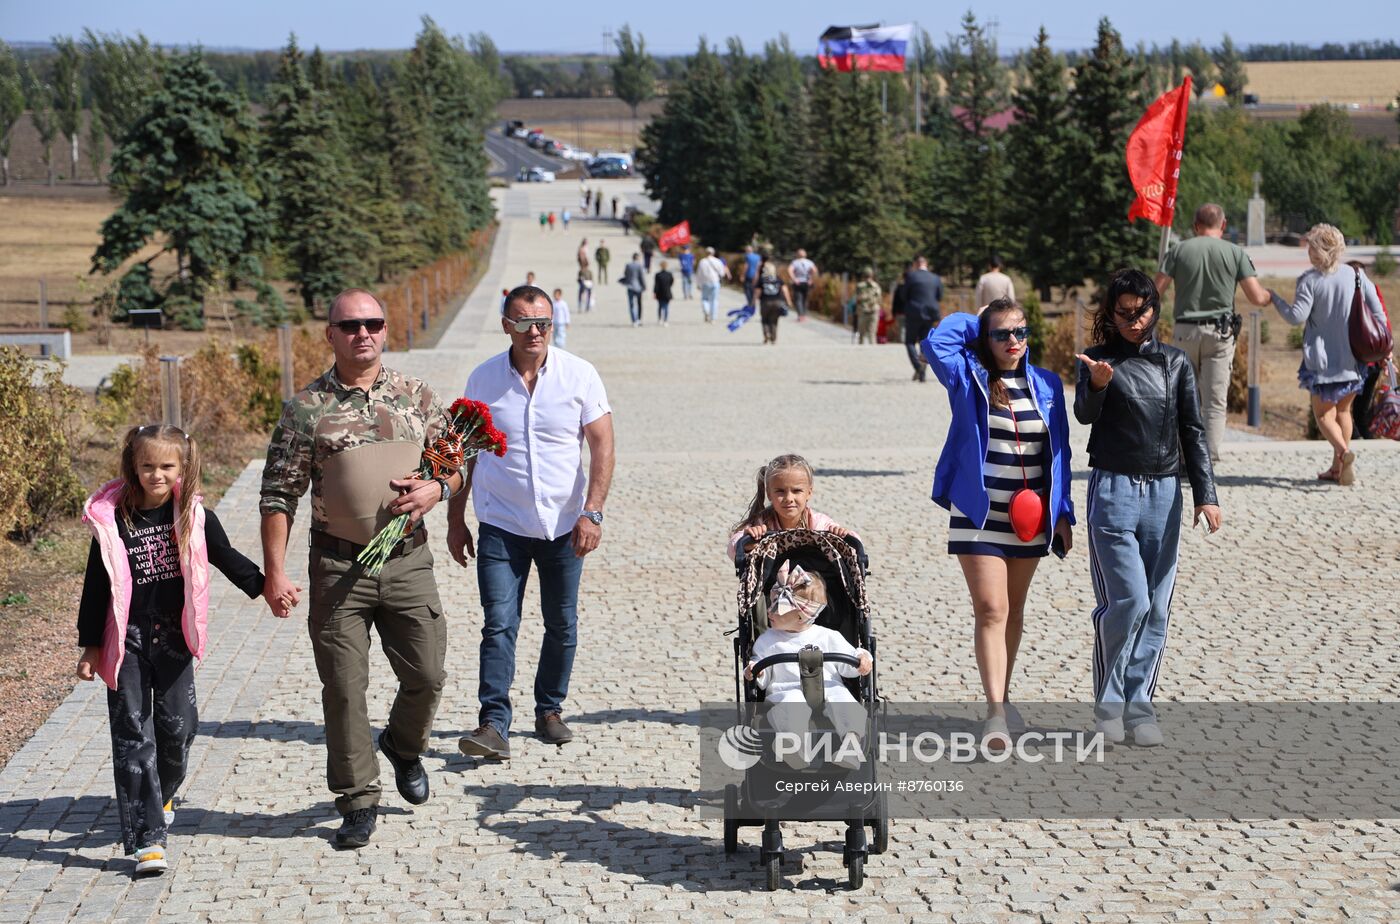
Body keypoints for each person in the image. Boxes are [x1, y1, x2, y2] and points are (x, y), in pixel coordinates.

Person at [260, 288, 461, 849]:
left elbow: (454, 463)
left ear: (385, 329)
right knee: (344, 689)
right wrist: (274, 573)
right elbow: (278, 495)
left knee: (427, 674)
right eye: (349, 325)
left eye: (372, 323)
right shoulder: (306, 409)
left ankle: (403, 747)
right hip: (337, 567)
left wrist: (436, 490)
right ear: (330, 335)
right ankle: (356, 800)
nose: (363, 333)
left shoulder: (416, 396)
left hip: (407, 560)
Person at [77, 425, 272, 876]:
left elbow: (226, 556)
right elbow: (95, 586)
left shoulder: (193, 516)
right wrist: (90, 646)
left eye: (167, 466)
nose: (156, 475)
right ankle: (148, 837)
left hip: (173, 637)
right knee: (132, 732)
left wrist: (266, 588)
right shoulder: (113, 521)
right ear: (133, 465)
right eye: (147, 466)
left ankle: (161, 791)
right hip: (125, 637)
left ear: (183, 467)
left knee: (179, 729)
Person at [450, 285, 616, 760]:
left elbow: (602, 445)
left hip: (565, 524)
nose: (535, 331)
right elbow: (466, 452)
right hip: (501, 524)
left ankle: (549, 711)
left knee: (561, 623)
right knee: (499, 623)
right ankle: (492, 724)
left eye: (543, 322)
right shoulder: (483, 380)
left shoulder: (579, 375)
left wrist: (593, 511)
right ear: (506, 325)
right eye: (523, 322)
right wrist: (456, 519)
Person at [1074, 269, 1220, 747]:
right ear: (1111, 314)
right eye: (1124, 313)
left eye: (1143, 312)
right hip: (1114, 490)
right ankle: (1109, 707)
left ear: (1156, 309)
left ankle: (1141, 709)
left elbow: (1194, 432)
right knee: (1129, 600)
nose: (1135, 322)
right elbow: (1085, 415)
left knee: (1156, 608)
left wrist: (1207, 495)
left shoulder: (1176, 363)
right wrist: (1096, 385)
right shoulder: (1097, 359)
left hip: (1164, 493)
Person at [921, 300, 1074, 748]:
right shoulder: (967, 377)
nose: (1014, 342)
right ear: (985, 340)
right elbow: (936, 341)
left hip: (1029, 516)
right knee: (991, 609)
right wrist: (983, 318)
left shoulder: (1046, 384)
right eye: (1003, 334)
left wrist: (1061, 512)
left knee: (1013, 611)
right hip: (978, 512)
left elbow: (1059, 455)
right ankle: (994, 713)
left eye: (1022, 333)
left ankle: (1004, 699)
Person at [1267, 225, 1390, 484]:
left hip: (1321, 361)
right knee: (1344, 413)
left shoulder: (1309, 280)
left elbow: (1295, 317)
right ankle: (1338, 469)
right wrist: (1382, 346)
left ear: (1320, 251)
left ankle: (1344, 454)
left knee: (1323, 415)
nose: (1308, 251)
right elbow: (1378, 312)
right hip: (1353, 359)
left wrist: (1274, 298)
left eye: (1311, 246)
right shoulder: (1356, 275)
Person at [1154, 203, 1272, 461]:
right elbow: (1255, 296)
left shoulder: (1179, 250)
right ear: (1224, 225)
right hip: (1220, 334)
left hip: (1184, 332)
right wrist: (1269, 297)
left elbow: (1155, 291)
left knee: (1183, 397)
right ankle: (1206, 458)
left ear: (1196, 226)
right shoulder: (1235, 252)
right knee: (1215, 401)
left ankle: (1183, 456)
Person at [744, 565, 871, 769]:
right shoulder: (767, 641)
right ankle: (792, 747)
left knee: (845, 701)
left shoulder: (828, 637)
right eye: (771, 603)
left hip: (827, 688)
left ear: (801, 616)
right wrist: (756, 671)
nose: (769, 610)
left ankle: (851, 745)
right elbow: (762, 676)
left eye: (778, 607)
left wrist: (861, 659)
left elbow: (848, 664)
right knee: (791, 706)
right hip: (787, 691)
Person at [727, 453, 853, 560]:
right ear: (769, 494)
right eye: (780, 491)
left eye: (796, 491)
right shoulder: (763, 524)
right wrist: (746, 541)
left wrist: (842, 534)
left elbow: (854, 544)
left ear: (809, 492)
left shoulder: (818, 523)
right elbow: (733, 548)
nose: (788, 498)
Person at [1346, 260, 1392, 440]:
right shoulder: (1374, 291)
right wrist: (1386, 353)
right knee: (1361, 410)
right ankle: (1363, 442)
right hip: (1374, 359)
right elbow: (1384, 322)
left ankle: (1356, 443)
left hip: (1357, 361)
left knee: (1345, 409)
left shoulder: (1348, 296)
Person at [901, 256, 944, 382]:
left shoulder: (911, 276)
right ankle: (923, 371)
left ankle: (918, 366)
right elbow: (939, 296)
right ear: (926, 264)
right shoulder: (935, 278)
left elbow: (904, 295)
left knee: (909, 342)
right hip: (931, 313)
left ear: (915, 264)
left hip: (914, 313)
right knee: (925, 342)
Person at [756, 252, 791, 345]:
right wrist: (788, 301)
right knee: (774, 320)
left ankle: (766, 333)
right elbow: (785, 290)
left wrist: (753, 301)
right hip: (777, 301)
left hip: (765, 301)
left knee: (764, 319)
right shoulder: (778, 279)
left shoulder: (762, 279)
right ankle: (774, 338)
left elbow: (758, 292)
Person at [697, 246, 730, 323]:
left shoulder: (702, 261)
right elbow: (722, 273)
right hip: (715, 282)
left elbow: (699, 274)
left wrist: (698, 283)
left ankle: (707, 311)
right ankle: (713, 318)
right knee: (714, 300)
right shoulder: (718, 261)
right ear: (713, 253)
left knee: (705, 299)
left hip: (705, 283)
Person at [787, 249, 818, 321]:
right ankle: (804, 315)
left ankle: (800, 315)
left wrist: (794, 278)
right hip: (807, 283)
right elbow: (815, 270)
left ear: (797, 254)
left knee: (798, 299)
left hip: (798, 282)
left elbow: (790, 270)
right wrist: (811, 279)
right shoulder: (809, 262)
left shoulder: (795, 262)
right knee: (805, 299)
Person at [854, 267, 882, 345]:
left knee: (861, 334)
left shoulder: (860, 286)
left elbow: (857, 299)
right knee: (872, 333)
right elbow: (879, 299)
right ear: (872, 275)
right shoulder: (876, 286)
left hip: (863, 311)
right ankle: (873, 351)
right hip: (874, 311)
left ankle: (860, 352)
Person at [621, 252, 646, 327]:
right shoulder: (640, 266)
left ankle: (634, 320)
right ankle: (638, 319)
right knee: (639, 304)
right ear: (638, 258)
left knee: (631, 304)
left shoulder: (628, 265)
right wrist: (644, 286)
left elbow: (625, 274)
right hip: (638, 287)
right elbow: (642, 277)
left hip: (630, 286)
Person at [653, 259, 674, 326]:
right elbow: (671, 282)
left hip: (660, 292)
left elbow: (656, 285)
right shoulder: (669, 274)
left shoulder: (658, 275)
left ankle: (660, 319)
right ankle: (665, 320)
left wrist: (655, 292)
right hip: (667, 292)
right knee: (666, 307)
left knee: (660, 306)